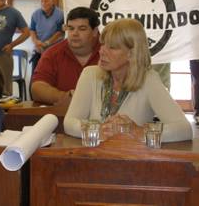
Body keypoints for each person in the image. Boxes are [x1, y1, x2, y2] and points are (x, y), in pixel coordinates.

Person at [64, 18, 192, 143]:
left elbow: (184, 129)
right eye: (102, 44)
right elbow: (69, 123)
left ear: (131, 53)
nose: (102, 51)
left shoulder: (148, 79)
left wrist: (139, 132)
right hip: (93, 158)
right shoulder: (90, 74)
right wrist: (99, 130)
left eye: (112, 47)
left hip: (133, 160)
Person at [31, 7, 100, 105]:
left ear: (95, 31)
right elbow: (37, 88)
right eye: (71, 28)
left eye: (82, 29)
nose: (74, 34)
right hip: (64, 116)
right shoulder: (52, 54)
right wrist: (63, 97)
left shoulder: (111, 51)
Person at [29, 0, 64, 74]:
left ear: (52, 1)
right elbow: (32, 30)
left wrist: (47, 43)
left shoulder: (60, 14)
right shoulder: (35, 14)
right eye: (41, 1)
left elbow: (60, 32)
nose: (43, 3)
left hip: (55, 51)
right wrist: (36, 42)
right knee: (36, 76)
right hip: (38, 50)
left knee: (52, 76)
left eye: (46, 1)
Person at [191, 59, 199, 124]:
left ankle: (197, 113)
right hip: (195, 60)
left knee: (197, 84)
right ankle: (197, 112)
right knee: (197, 84)